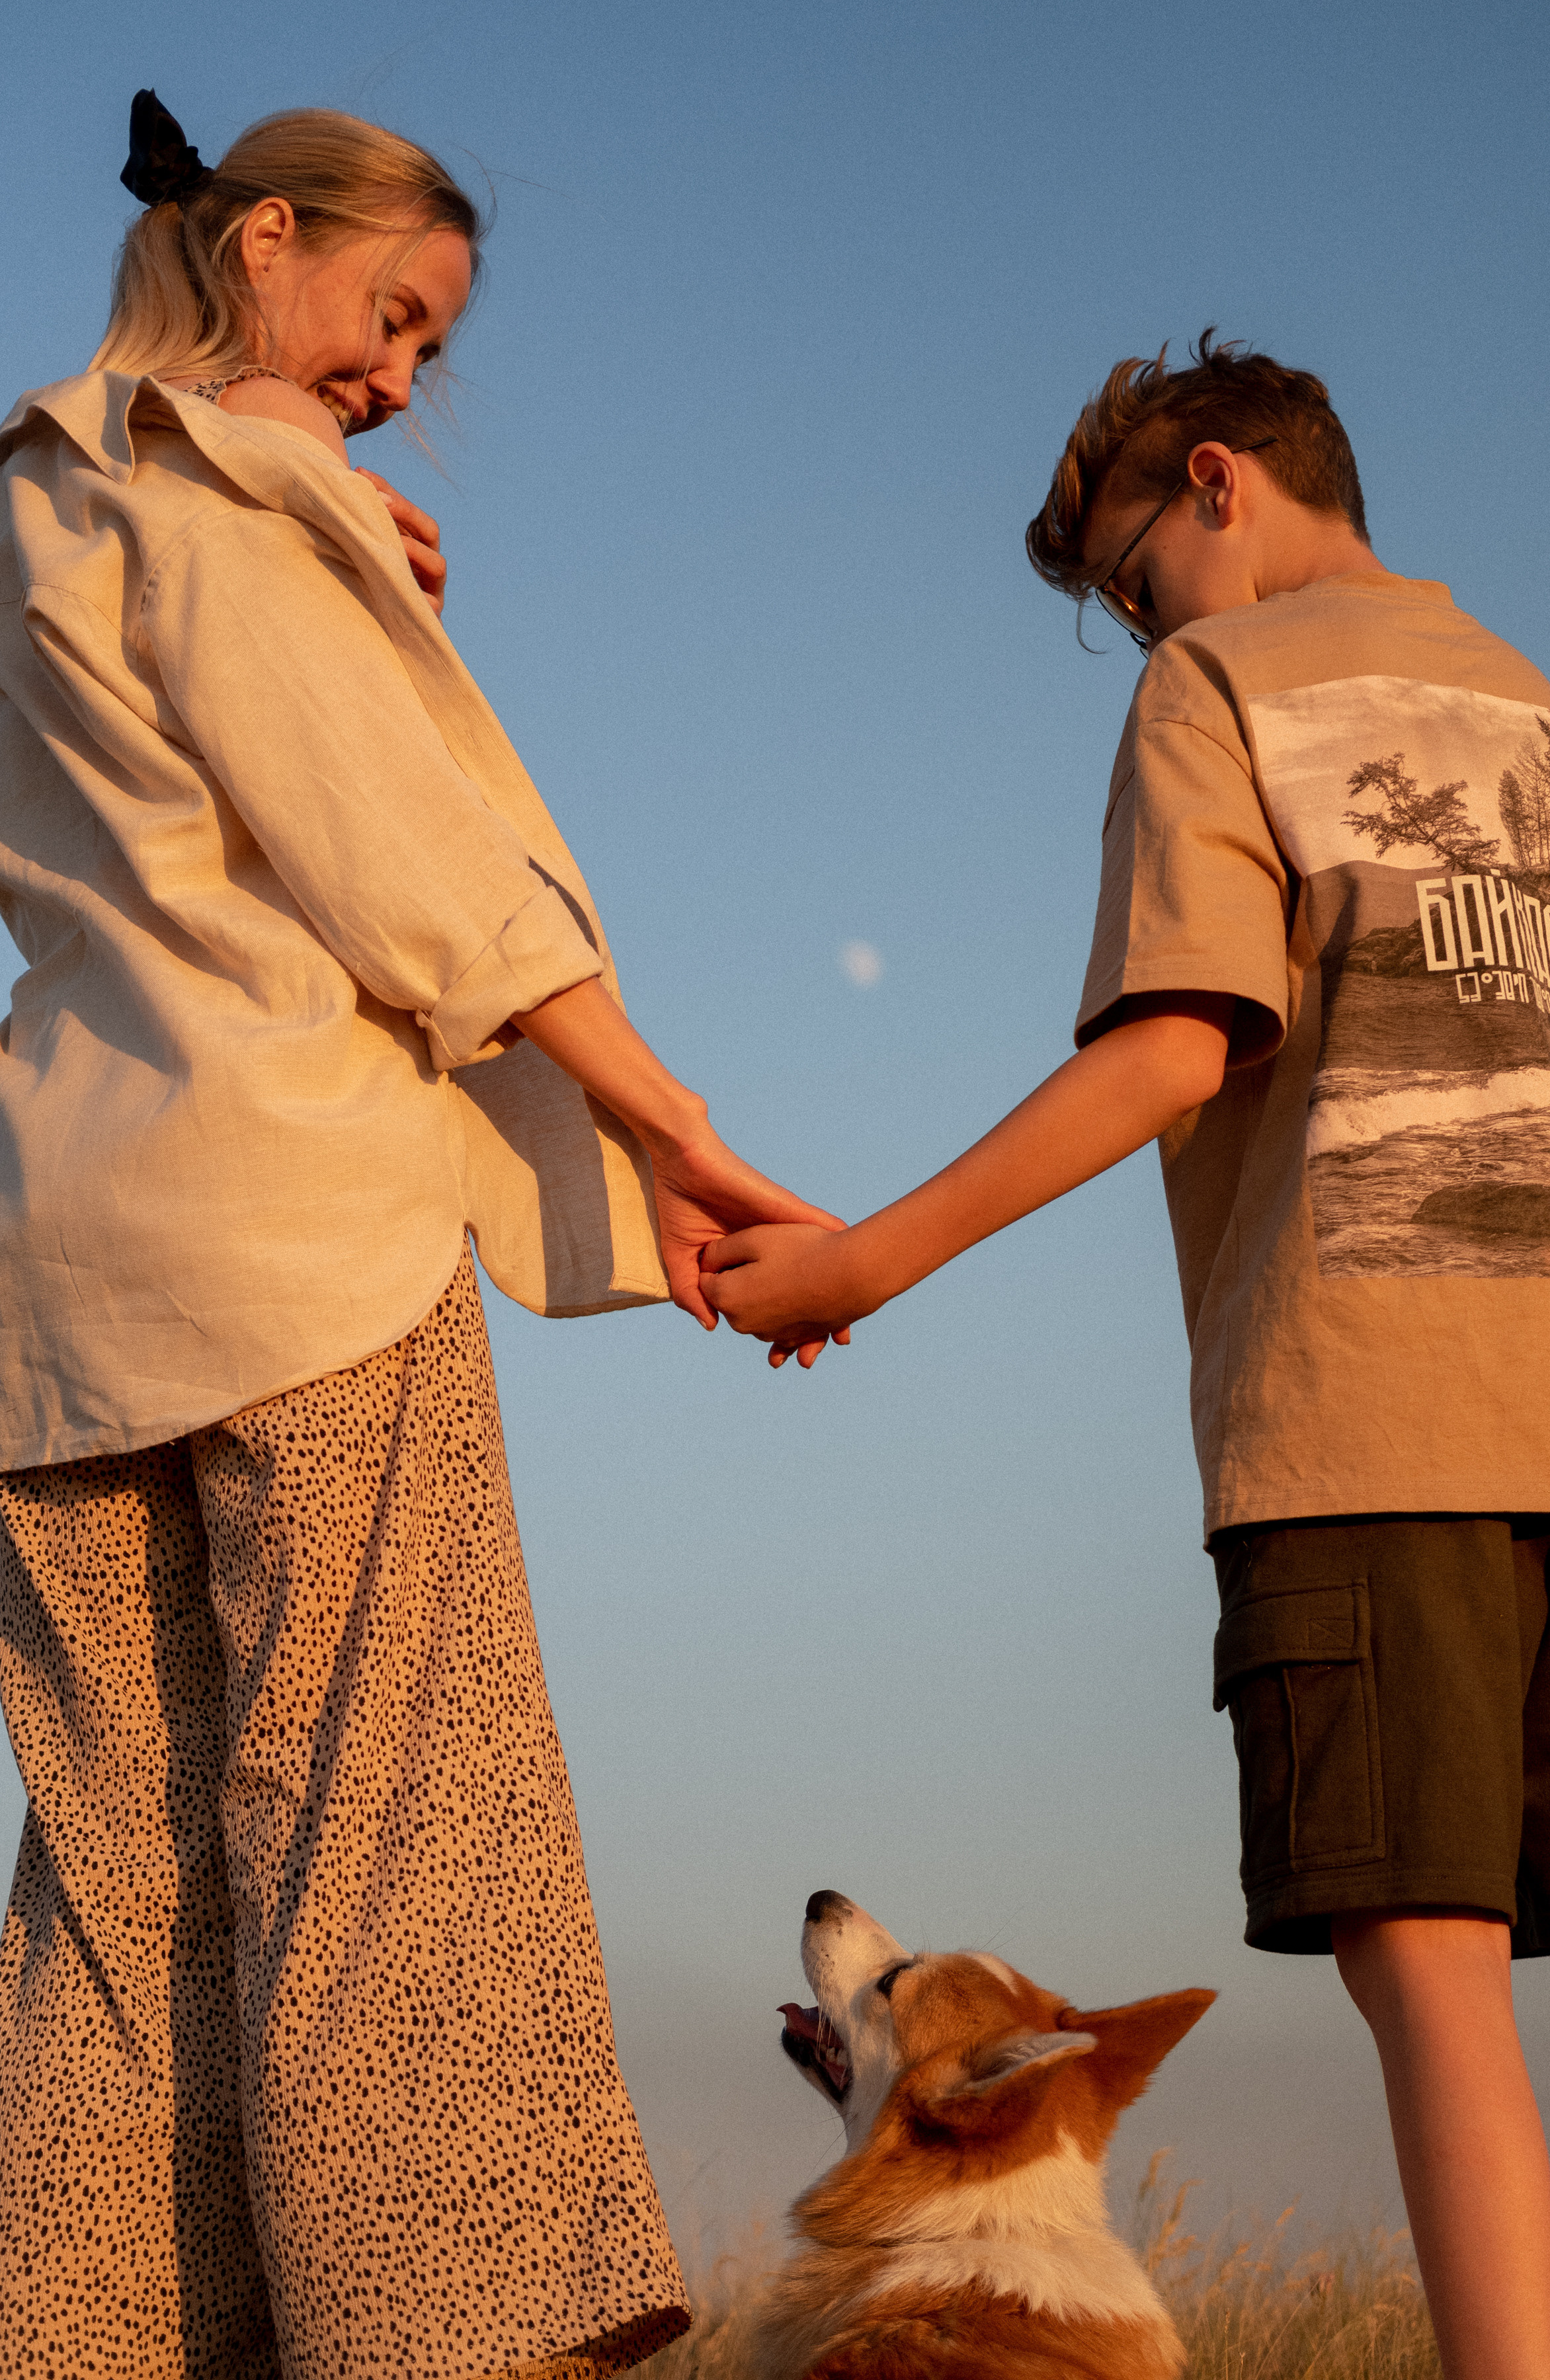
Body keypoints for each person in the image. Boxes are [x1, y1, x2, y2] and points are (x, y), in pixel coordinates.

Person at [0, 91, 845, 2380]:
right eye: (389, 315)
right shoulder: (232, 499)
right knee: (380, 1836)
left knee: (114, 1890)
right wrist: (670, 1126)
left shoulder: (38, 496)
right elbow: (411, 869)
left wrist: (324, 526)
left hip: (58, 1272)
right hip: (292, 1232)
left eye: (423, 353)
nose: (392, 377)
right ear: (263, 238)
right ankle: (430, 2345)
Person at [700, 333, 1550, 2380]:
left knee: (1433, 1967)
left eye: (1134, 579)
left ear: (1219, 481)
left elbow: (1182, 1040)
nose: (1141, 627)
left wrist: (863, 1262)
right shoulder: (1530, 700)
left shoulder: (1223, 686)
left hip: (1382, 1418)